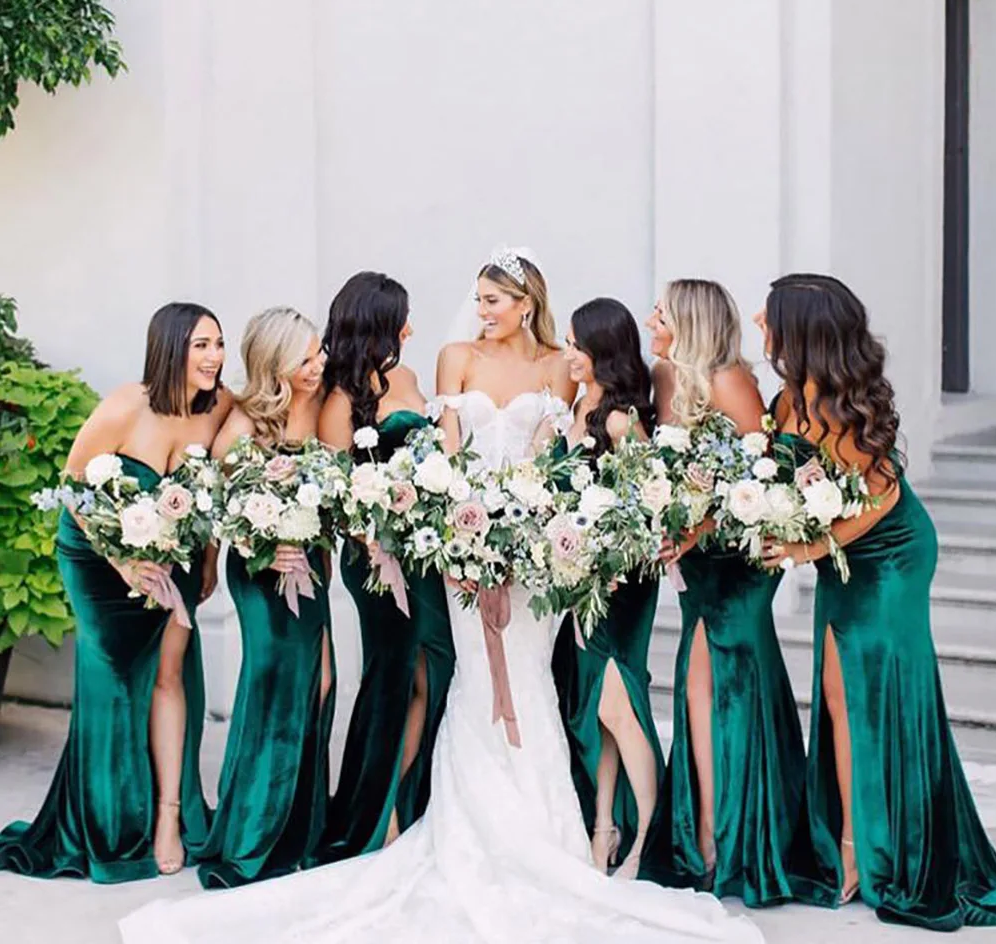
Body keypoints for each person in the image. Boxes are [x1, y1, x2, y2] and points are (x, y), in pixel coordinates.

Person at [119, 252, 763, 944]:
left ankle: (548, 828)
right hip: (460, 544)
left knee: (530, 680)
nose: (479, 311)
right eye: (478, 299)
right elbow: (448, 461)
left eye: (493, 300)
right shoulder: (454, 359)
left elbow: (556, 458)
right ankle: (458, 824)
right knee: (467, 678)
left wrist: (539, 530)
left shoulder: (557, 365)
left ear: (525, 303)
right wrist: (462, 537)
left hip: (537, 550)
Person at [758, 273, 996, 929]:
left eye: (769, 314)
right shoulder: (788, 397)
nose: (758, 321)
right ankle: (851, 841)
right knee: (836, 694)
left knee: (872, 693)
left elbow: (881, 499)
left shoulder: (843, 407)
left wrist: (805, 550)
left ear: (801, 328)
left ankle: (874, 850)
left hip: (890, 554)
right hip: (840, 555)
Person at [0, 302, 230, 882]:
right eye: (201, 345)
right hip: (98, 560)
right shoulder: (128, 405)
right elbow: (73, 485)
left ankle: (169, 817)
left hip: (174, 559)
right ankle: (108, 823)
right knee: (113, 682)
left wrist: (210, 559)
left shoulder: (218, 408)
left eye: (219, 344)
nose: (214, 357)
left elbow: (215, 490)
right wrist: (122, 561)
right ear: (170, 347)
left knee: (171, 677)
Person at [648, 279, 831, 906]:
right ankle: (706, 825)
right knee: (696, 683)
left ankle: (728, 834)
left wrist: (698, 526)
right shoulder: (667, 377)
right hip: (698, 563)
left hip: (737, 559)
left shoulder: (730, 381)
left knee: (724, 682)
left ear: (690, 321)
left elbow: (760, 478)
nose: (652, 320)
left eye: (661, 313)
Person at [315, 272, 454, 859]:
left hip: (424, 554)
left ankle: (411, 798)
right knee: (395, 671)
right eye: (401, 320)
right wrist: (375, 533)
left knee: (435, 666)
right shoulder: (338, 400)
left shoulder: (408, 378)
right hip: (375, 559)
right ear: (375, 324)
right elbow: (334, 491)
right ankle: (377, 813)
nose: (410, 330)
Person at [197, 307, 335, 888]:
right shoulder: (245, 422)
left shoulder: (324, 401)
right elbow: (218, 504)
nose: (318, 365)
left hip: (312, 566)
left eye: (318, 353)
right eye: (305, 358)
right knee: (274, 686)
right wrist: (260, 545)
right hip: (261, 573)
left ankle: (301, 829)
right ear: (276, 365)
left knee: (321, 682)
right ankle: (254, 834)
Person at [550, 297, 668, 881]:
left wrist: (609, 557)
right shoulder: (574, 407)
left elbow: (650, 504)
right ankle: (603, 827)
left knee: (615, 706)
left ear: (602, 350)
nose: (568, 354)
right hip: (580, 581)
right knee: (594, 711)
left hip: (621, 584)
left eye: (577, 345)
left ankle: (649, 837)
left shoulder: (622, 421)